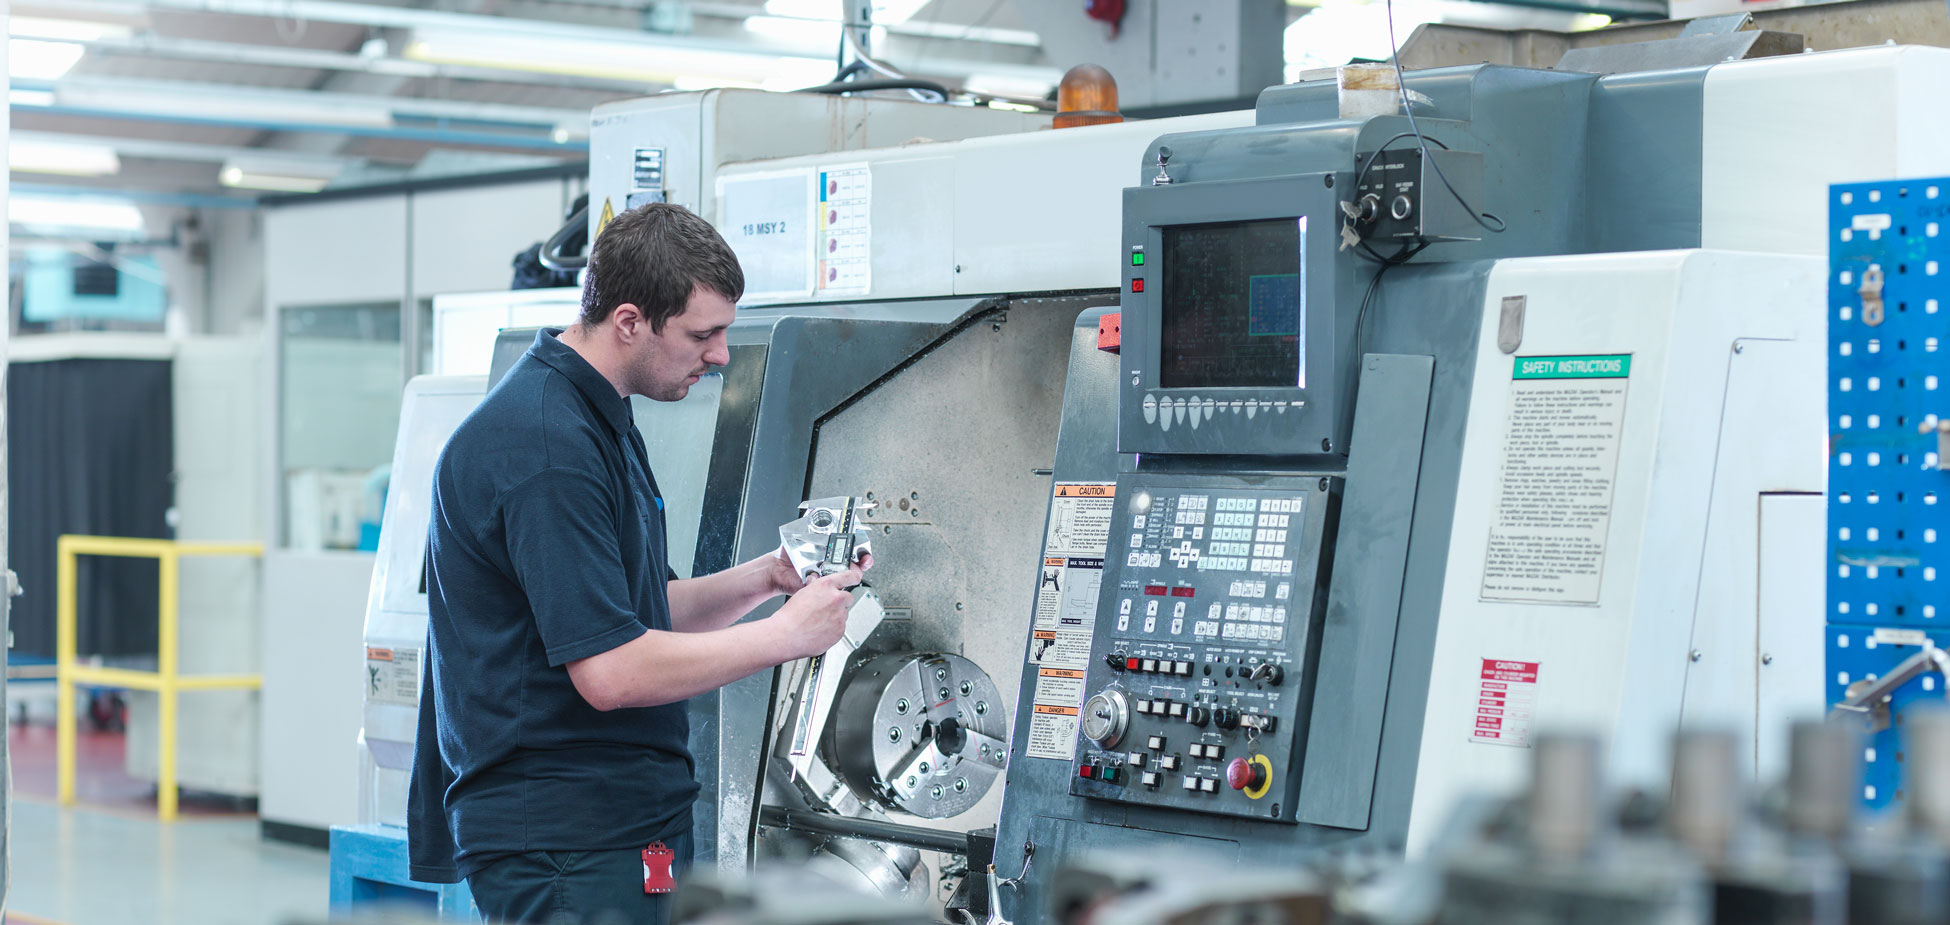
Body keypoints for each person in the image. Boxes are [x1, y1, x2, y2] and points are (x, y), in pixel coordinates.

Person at [408, 202, 865, 924]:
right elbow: (612, 669)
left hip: (616, 826)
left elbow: (634, 610)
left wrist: (770, 578)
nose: (720, 354)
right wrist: (787, 637)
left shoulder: (597, 416)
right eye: (703, 334)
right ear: (629, 321)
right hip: (565, 840)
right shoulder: (547, 445)